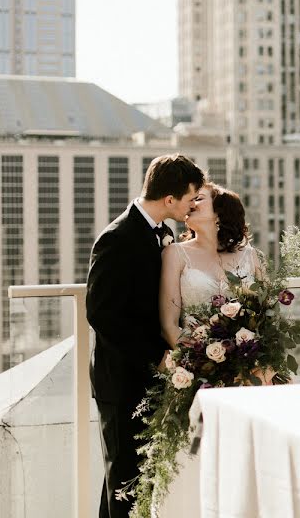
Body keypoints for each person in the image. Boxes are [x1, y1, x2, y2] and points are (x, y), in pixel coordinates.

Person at [86, 154, 205, 518]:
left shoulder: (163, 234)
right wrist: (156, 356)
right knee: (124, 480)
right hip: (122, 382)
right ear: (169, 200)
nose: (193, 205)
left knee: (134, 485)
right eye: (189, 198)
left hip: (150, 381)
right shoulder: (117, 238)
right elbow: (102, 314)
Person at [159, 183, 263, 349]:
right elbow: (169, 326)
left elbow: (268, 318)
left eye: (198, 199)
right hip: (198, 364)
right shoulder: (175, 254)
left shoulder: (250, 256)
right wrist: (200, 365)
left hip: (250, 364)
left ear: (219, 213)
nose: (191, 204)